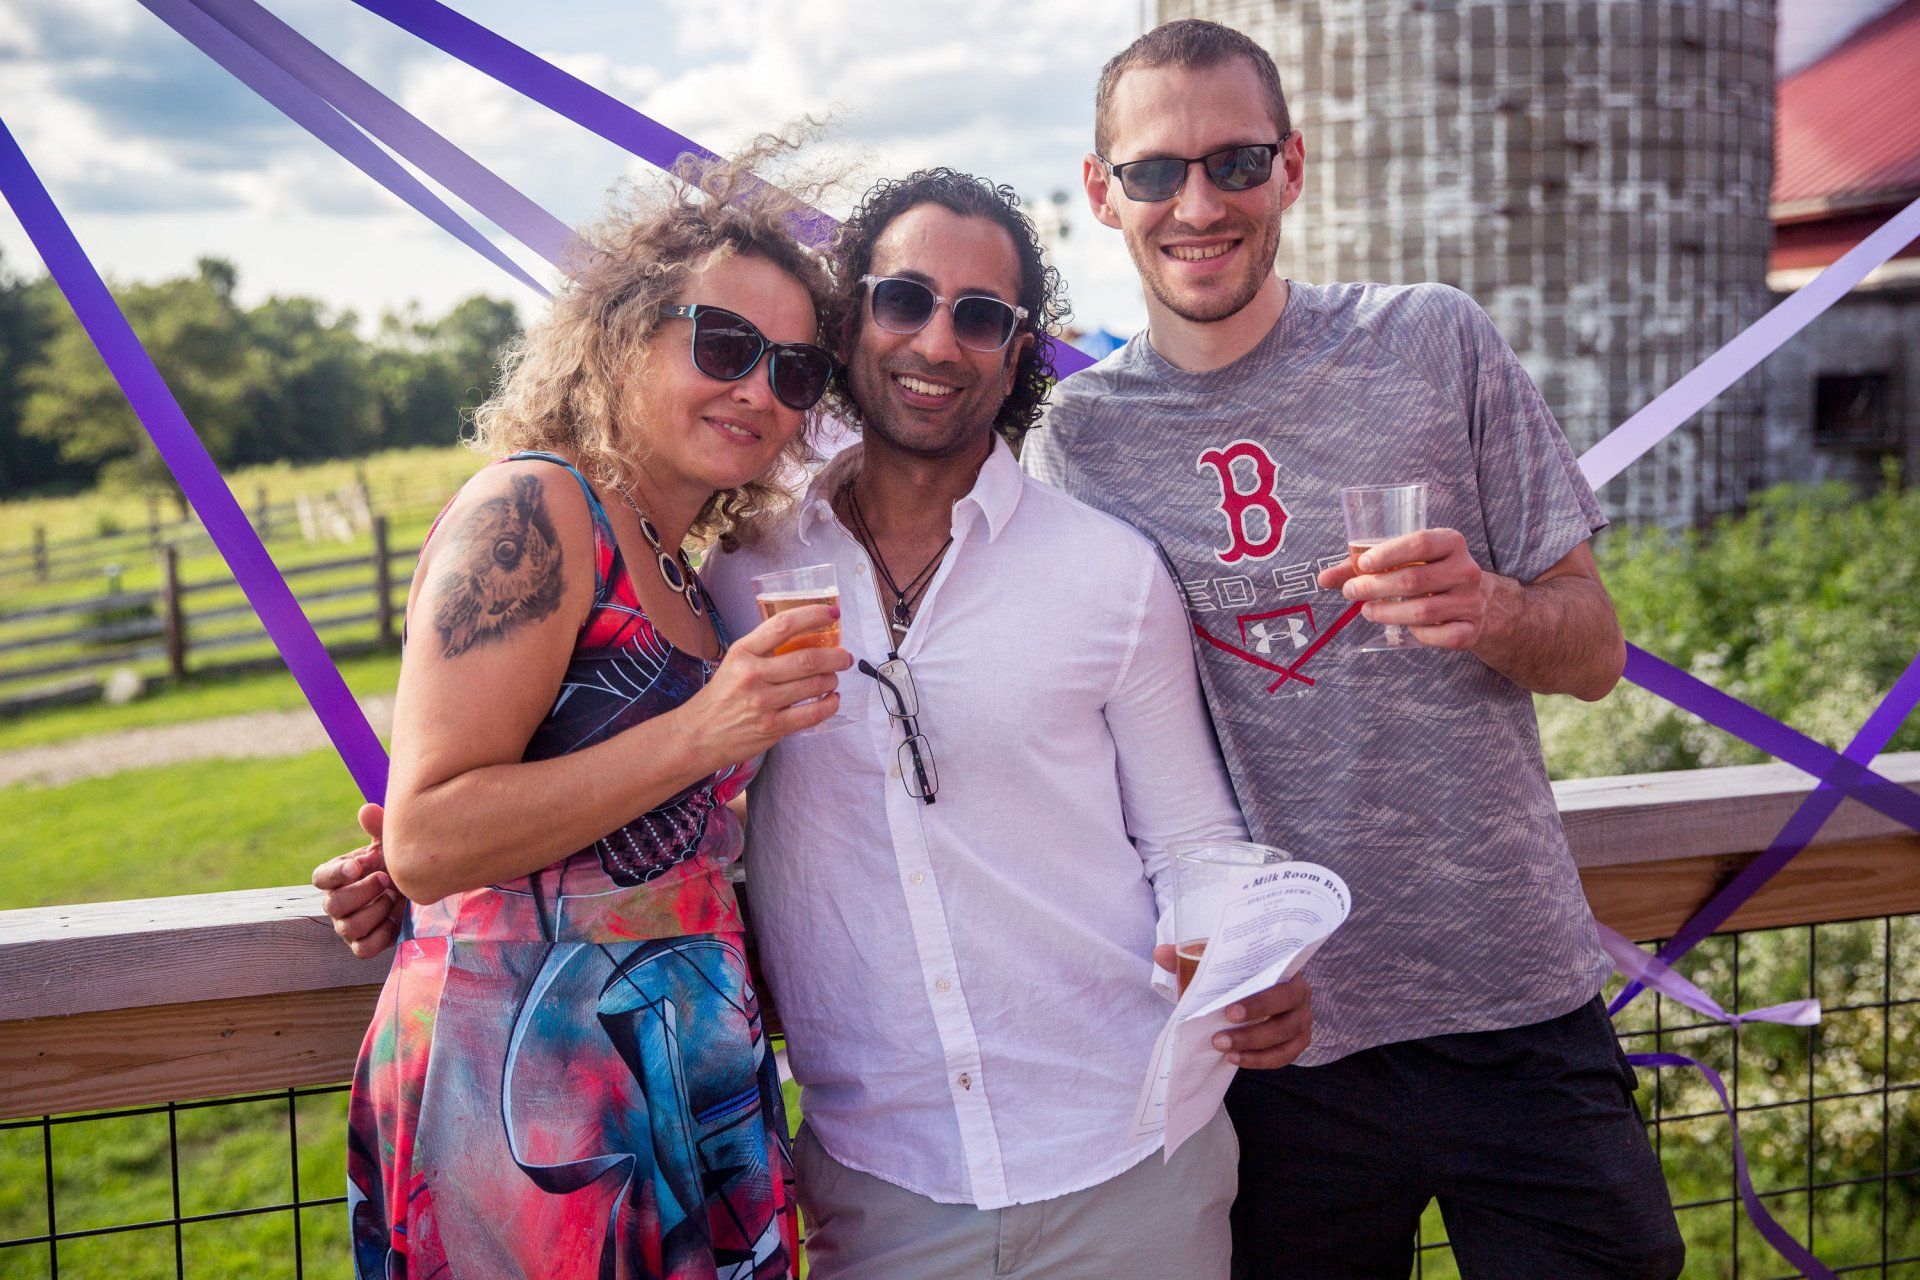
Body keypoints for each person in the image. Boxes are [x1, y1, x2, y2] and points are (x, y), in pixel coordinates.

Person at [320, 167, 1315, 1279]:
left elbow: (1193, 844)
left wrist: (1242, 953)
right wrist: (420, 859)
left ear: (1018, 352)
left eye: (981, 316)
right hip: (712, 1140)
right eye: (901, 300)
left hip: (1110, 1149)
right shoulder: (736, 568)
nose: (937, 340)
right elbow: (478, 799)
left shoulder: (1098, 572)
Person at [1021, 19, 1685, 1280]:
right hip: (1275, 1041)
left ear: (1293, 168)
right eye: (1156, 171)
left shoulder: (1431, 340)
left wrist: (1492, 606)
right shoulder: (1077, 440)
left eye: (1234, 160)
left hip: (1516, 1005)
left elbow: (1595, 649)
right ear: (1104, 194)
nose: (1198, 202)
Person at [335, 153, 852, 1280]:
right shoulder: (536, 506)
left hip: (679, 1068)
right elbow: (427, 838)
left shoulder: (686, 563)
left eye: (797, 368)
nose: (760, 390)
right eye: (723, 345)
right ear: (621, 333)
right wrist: (704, 730)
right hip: (533, 1095)